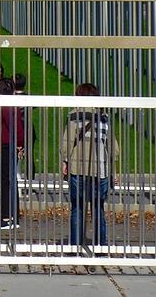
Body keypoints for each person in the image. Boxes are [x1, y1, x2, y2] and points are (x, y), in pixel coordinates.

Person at [62, 82, 114, 248]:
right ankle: (100, 245)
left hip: (79, 168)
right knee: (98, 208)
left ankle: (76, 245)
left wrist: (65, 162)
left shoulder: (73, 117)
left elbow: (67, 143)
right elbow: (112, 146)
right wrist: (113, 170)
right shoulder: (104, 118)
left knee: (77, 208)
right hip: (101, 169)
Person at [0, 77, 24, 229]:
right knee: (10, 180)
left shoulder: (3, 106)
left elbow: (16, 128)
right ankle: (13, 215)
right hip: (11, 144)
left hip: (5, 144)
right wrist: (20, 144)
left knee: (5, 181)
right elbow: (19, 127)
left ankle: (7, 216)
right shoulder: (12, 106)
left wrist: (19, 143)